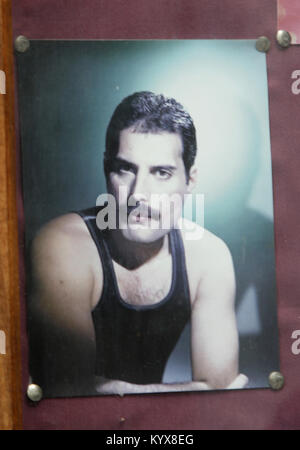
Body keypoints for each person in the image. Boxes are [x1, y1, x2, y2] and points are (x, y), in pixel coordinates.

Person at [28, 91, 248, 397]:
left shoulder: (208, 256)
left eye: (161, 172)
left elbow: (220, 392)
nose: (138, 194)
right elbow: (69, 397)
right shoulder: (62, 245)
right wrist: (195, 391)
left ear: (190, 181)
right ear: (107, 170)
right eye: (126, 169)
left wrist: (112, 390)